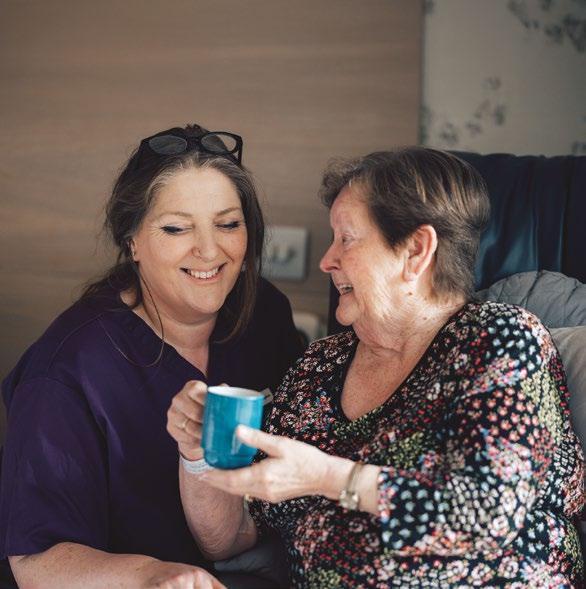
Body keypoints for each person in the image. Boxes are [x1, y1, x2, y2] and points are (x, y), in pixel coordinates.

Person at [168, 147, 586, 588]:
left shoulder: (498, 339)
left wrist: (328, 477)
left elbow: (487, 515)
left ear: (416, 251)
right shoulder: (317, 368)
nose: (326, 261)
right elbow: (231, 538)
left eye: (346, 239)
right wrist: (196, 454)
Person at [0, 124, 303, 588]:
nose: (209, 250)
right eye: (176, 228)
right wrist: (152, 575)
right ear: (133, 241)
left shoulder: (263, 312)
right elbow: (36, 562)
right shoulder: (67, 370)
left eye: (227, 224)